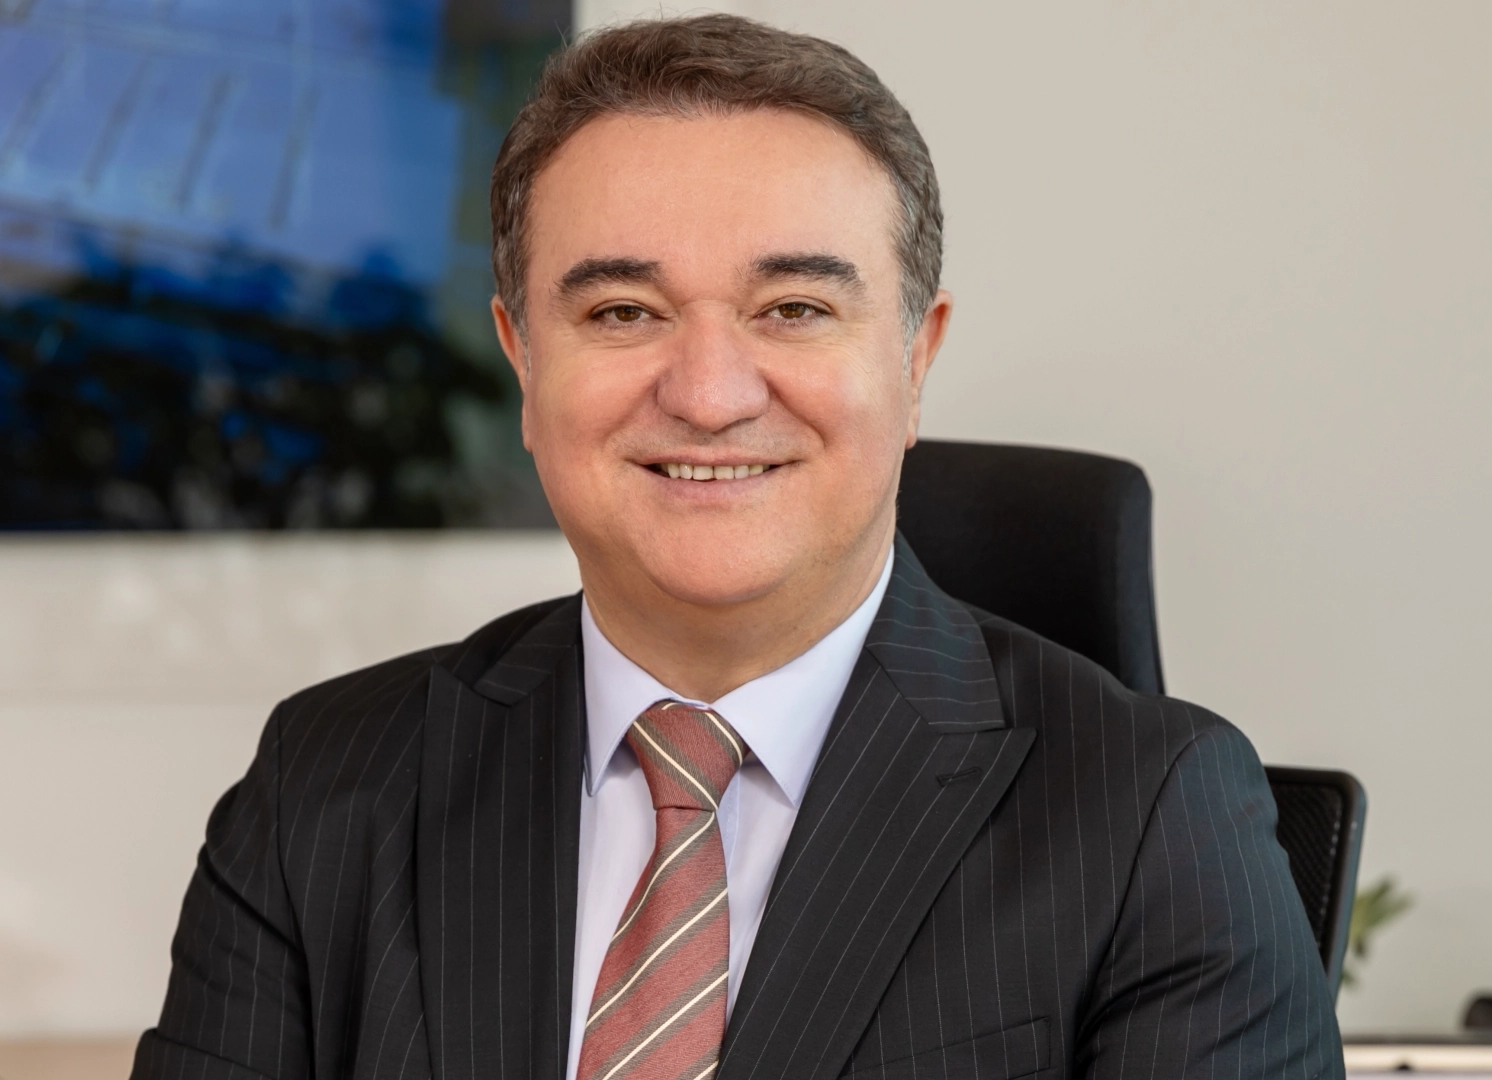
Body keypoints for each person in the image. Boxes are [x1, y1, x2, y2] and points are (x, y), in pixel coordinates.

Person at [133, 15, 1342, 1080]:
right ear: (522, 362)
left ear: (914, 360)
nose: (710, 394)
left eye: (794, 310)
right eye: (623, 312)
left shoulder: (1151, 820)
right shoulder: (323, 788)